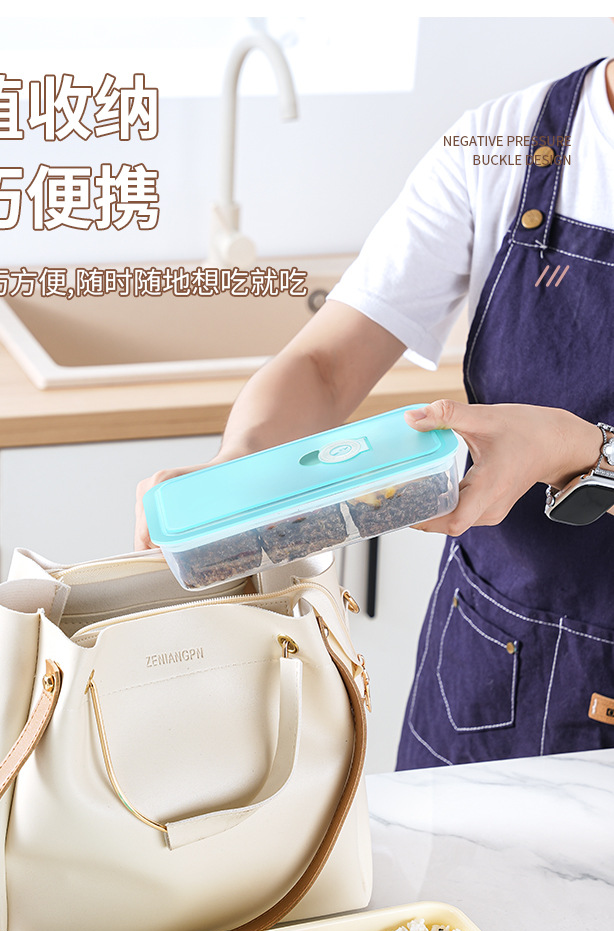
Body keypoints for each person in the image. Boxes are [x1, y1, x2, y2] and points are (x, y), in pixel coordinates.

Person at [135, 57, 614, 769]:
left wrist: (580, 450)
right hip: (495, 669)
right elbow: (325, 366)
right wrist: (239, 469)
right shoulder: (506, 141)